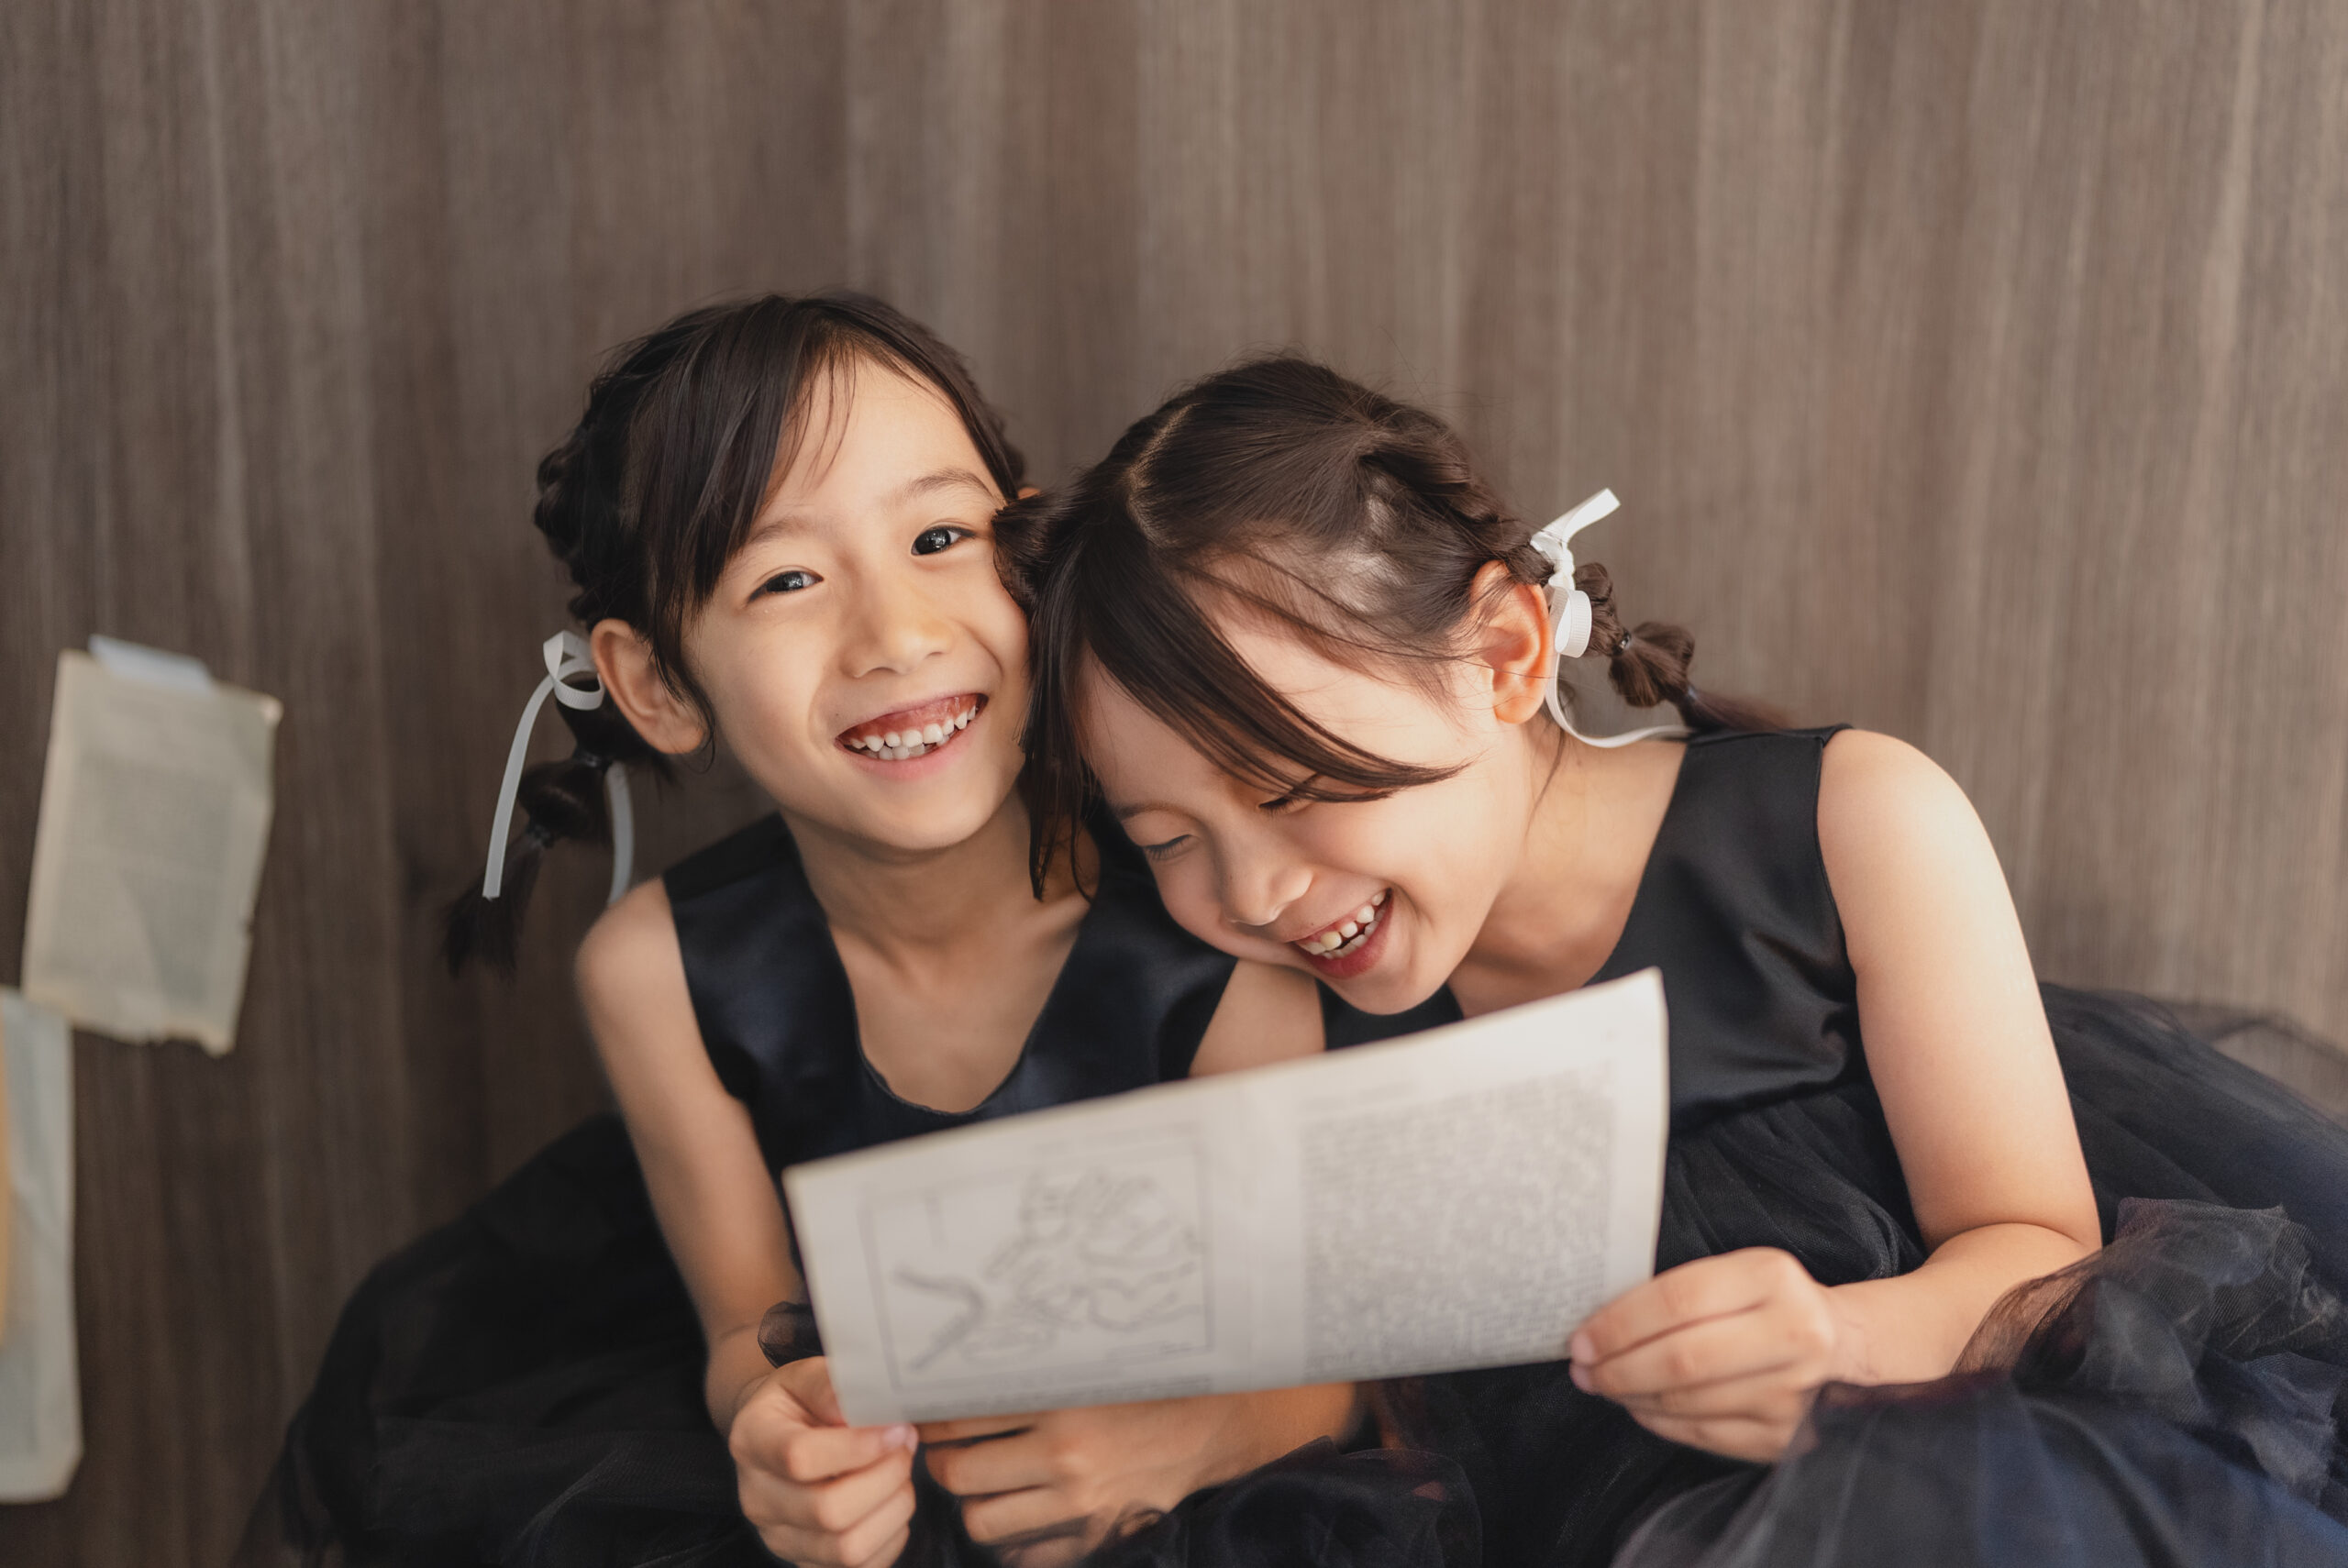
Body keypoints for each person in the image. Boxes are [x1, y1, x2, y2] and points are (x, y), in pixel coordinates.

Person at [1003, 355, 2348, 1566]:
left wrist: (1842, 1348)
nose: (1254, 892)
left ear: (1502, 654)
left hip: (1924, 1438)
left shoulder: (1852, 824)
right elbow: (1345, 1347)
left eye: (1296, 786)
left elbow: (2039, 1248)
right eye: (1169, 837)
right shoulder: (1274, 993)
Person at [241, 298, 1447, 1568]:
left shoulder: (1215, 910)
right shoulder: (654, 972)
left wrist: (1189, 1444)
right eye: (786, 580)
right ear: (654, 683)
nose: (897, 635)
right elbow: (744, 1329)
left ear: (1029, 558)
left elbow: (1328, 1349)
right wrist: (775, 1425)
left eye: (939, 537)